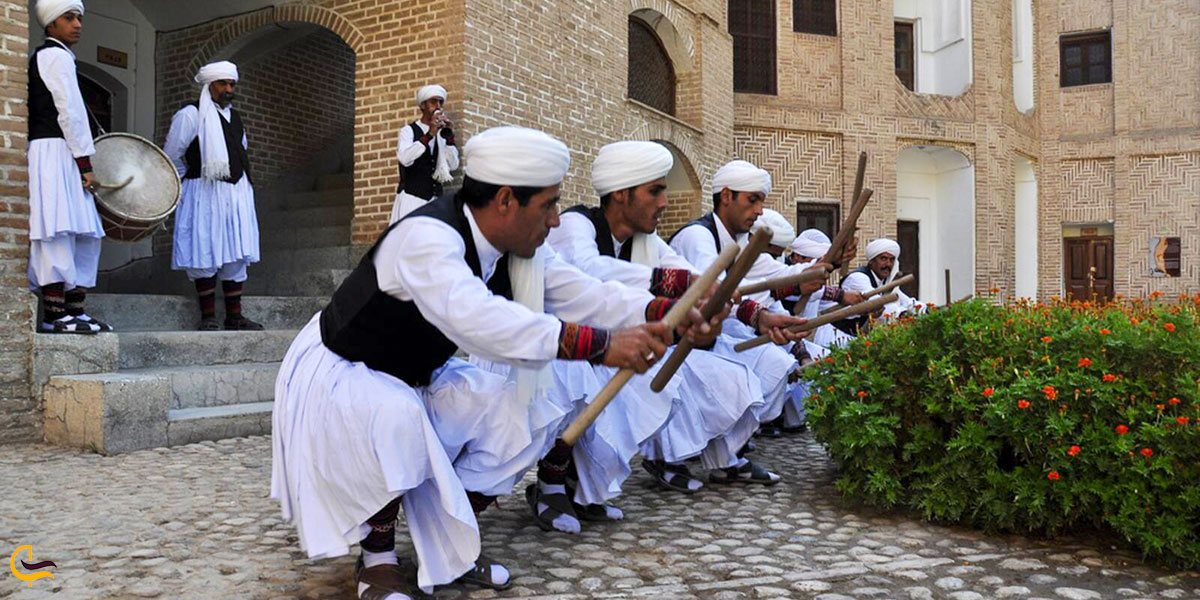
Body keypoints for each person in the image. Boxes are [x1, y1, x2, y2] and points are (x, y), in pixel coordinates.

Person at [272, 126, 716, 599]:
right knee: (394, 414)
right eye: (548, 206)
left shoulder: (517, 251)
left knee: (522, 414)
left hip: (419, 371)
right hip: (348, 370)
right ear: (506, 200)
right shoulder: (426, 238)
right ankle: (377, 559)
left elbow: (580, 291)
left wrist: (667, 311)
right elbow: (479, 320)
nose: (555, 222)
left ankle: (449, 540)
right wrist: (604, 346)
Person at [549, 140, 783, 493]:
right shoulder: (575, 224)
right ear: (621, 193)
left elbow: (694, 275)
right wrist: (683, 284)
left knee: (715, 379)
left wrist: (756, 315)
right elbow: (589, 270)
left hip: (618, 350)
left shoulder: (647, 241)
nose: (664, 202)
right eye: (655, 191)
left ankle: (594, 481)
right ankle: (553, 481)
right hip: (562, 350)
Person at [669, 160, 831, 451]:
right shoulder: (697, 236)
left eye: (761, 202)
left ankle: (727, 455)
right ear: (727, 196)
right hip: (679, 343)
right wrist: (759, 316)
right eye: (752, 200)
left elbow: (776, 275)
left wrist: (820, 269)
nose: (759, 211)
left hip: (717, 336)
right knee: (744, 379)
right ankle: (678, 455)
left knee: (773, 365)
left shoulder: (740, 241)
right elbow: (712, 292)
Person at [28, 0, 109, 334]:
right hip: (53, 151)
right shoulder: (54, 56)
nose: (77, 24)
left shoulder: (61, 57)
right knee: (57, 230)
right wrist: (85, 164)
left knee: (85, 232)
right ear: (51, 25)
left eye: (79, 18)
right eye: (69, 17)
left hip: (66, 152)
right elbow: (70, 114)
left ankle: (75, 310)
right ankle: (54, 316)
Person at [164, 61, 262, 331]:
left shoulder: (236, 118)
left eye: (232, 84)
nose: (229, 89)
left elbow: (240, 151)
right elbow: (172, 156)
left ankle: (235, 316)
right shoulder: (190, 115)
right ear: (209, 85)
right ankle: (208, 316)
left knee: (236, 251)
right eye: (223, 84)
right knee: (204, 248)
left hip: (237, 192)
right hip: (204, 191)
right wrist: (190, 179)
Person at [389, 84, 460, 223]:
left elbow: (453, 165)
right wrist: (429, 135)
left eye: (440, 102)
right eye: (433, 101)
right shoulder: (408, 131)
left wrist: (449, 137)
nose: (438, 106)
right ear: (422, 105)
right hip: (412, 199)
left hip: (434, 201)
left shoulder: (441, 134)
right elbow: (404, 158)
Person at [839, 238, 916, 333]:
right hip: (837, 336)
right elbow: (876, 303)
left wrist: (927, 310)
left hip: (858, 336)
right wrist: (903, 315)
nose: (888, 264)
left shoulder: (884, 282)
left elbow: (906, 302)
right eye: (883, 259)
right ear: (871, 261)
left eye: (891, 260)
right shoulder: (857, 278)